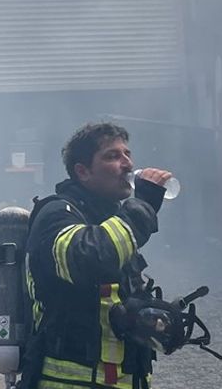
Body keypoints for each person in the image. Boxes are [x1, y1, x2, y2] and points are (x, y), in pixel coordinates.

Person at [22, 122, 173, 389]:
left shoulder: (111, 219)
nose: (127, 164)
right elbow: (88, 260)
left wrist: (144, 318)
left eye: (127, 154)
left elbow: (105, 301)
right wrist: (143, 208)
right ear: (83, 171)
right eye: (112, 156)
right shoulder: (57, 214)